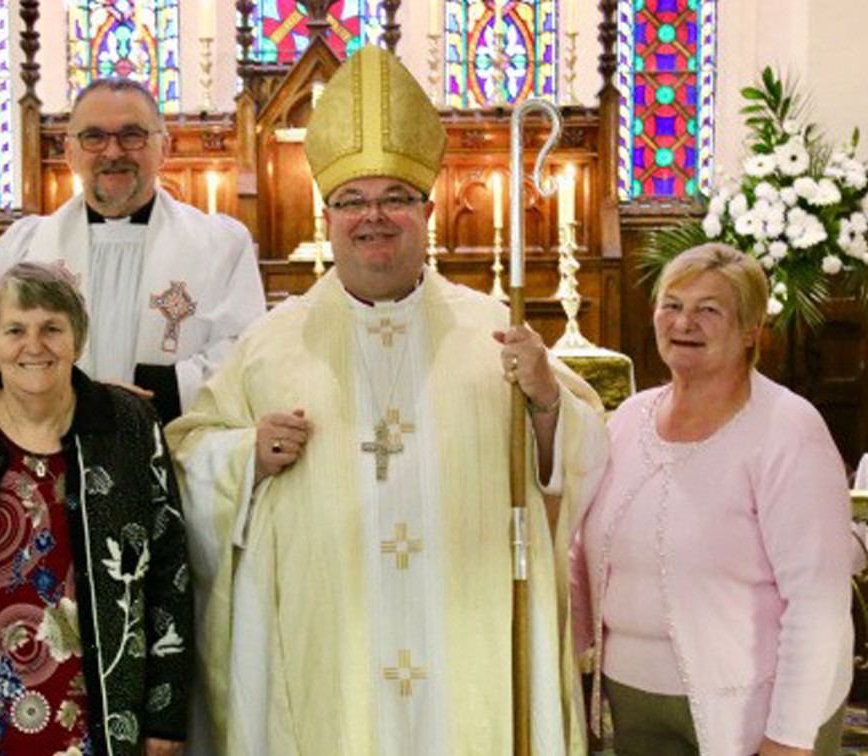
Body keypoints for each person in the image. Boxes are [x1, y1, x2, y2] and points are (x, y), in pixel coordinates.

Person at [165, 47, 610, 756]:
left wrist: (548, 402)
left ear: (428, 210)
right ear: (329, 215)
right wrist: (246, 454)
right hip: (329, 641)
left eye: (395, 198)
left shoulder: (492, 329)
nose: (374, 217)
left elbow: (586, 455)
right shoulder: (271, 343)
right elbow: (189, 449)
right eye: (353, 201)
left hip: (466, 630)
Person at [0, 262, 194, 756]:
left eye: (52, 328)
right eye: (15, 330)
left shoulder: (128, 425)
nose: (35, 345)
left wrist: (166, 716)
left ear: (77, 339)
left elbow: (170, 572)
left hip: (103, 716)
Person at [571, 243, 854, 756]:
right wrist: (561, 668)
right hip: (633, 703)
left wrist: (788, 737)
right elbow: (582, 559)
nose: (684, 322)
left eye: (709, 310)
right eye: (672, 304)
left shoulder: (788, 431)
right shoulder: (629, 419)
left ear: (750, 330)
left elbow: (817, 599)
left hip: (753, 707)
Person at [0, 77, 266, 423]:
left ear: (163, 148)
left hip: (175, 455)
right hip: (52, 453)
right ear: (70, 152)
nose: (113, 152)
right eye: (94, 137)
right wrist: (60, 406)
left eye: (132, 135)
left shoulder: (220, 245)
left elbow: (243, 352)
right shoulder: (22, 247)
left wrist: (147, 397)